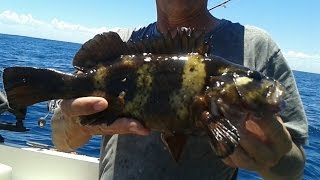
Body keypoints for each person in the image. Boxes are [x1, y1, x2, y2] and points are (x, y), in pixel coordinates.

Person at [51, 0, 308, 179]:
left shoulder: (258, 48)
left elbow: (294, 169)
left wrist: (277, 159)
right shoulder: (118, 51)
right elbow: (61, 140)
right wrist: (78, 122)